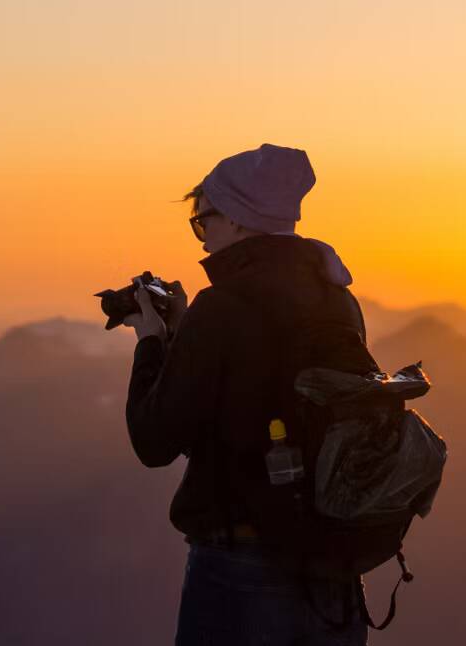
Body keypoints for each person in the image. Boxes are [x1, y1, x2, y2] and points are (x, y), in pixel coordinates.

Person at [123, 143, 377, 646]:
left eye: (203, 220)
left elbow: (153, 441)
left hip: (242, 571)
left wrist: (152, 342)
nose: (201, 239)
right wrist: (185, 333)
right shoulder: (338, 301)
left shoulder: (222, 308)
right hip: (332, 572)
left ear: (239, 220)